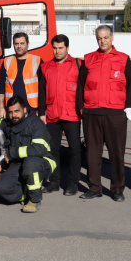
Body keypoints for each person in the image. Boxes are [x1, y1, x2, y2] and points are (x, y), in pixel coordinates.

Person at [76, 25, 131, 202]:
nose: (102, 41)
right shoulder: (88, 59)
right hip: (92, 113)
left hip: (115, 114)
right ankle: (94, 188)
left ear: (112, 38)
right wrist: (81, 107)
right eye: (99, 38)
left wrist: (129, 106)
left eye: (105, 38)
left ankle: (117, 189)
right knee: (92, 154)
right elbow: (80, 85)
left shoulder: (123, 59)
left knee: (116, 153)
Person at [0, 96, 55, 213]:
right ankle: (25, 192)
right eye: (10, 112)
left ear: (25, 110)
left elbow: (39, 149)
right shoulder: (11, 122)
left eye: (17, 111)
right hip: (18, 163)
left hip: (41, 161)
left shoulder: (36, 124)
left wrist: (12, 152)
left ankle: (35, 199)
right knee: (0, 189)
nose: (14, 115)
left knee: (30, 163)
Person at [38, 34, 83, 196]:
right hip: (52, 115)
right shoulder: (45, 67)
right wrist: (42, 112)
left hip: (72, 115)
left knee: (75, 150)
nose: (57, 51)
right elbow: (41, 91)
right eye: (55, 48)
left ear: (67, 48)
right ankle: (54, 182)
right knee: (52, 150)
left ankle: (72, 183)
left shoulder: (78, 64)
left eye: (61, 48)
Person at [0, 32, 42, 118]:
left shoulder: (37, 60)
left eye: (22, 43)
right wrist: (1, 108)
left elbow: (43, 88)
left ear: (28, 44)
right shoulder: (7, 61)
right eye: (16, 44)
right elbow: (1, 87)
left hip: (32, 109)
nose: (19, 46)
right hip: (11, 110)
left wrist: (41, 110)